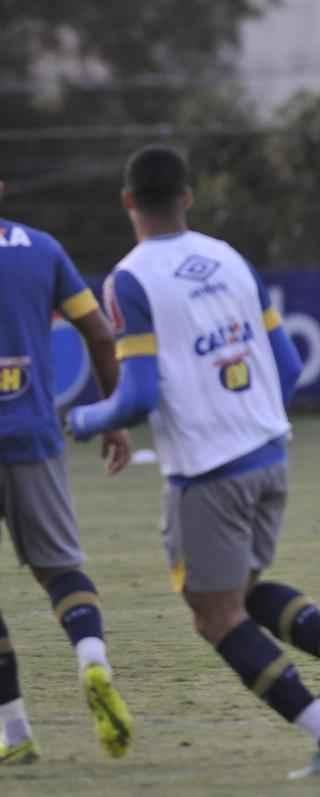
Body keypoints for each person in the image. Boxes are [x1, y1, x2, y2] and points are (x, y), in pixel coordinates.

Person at [64, 145, 320, 778]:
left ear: (128, 202)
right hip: (270, 453)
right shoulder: (230, 257)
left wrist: (82, 419)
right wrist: (251, 421)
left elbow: (136, 396)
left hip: (208, 473)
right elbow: (291, 366)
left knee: (214, 617)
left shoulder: (129, 279)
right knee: (241, 590)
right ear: (188, 197)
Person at [0, 179, 134, 765]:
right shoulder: (42, 248)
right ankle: (92, 658)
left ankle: (14, 732)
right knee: (60, 569)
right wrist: (113, 417)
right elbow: (101, 335)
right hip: (33, 434)